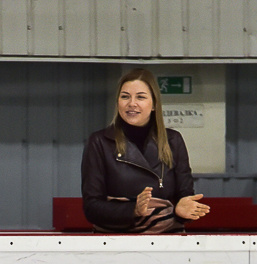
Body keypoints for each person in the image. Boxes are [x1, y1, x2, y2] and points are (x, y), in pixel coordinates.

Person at [81, 68, 209, 233]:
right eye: (125, 96)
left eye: (140, 97)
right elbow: (91, 207)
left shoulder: (173, 141)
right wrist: (132, 209)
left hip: (165, 241)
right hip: (115, 241)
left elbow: (184, 197)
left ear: (154, 104)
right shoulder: (99, 142)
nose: (132, 103)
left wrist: (182, 211)